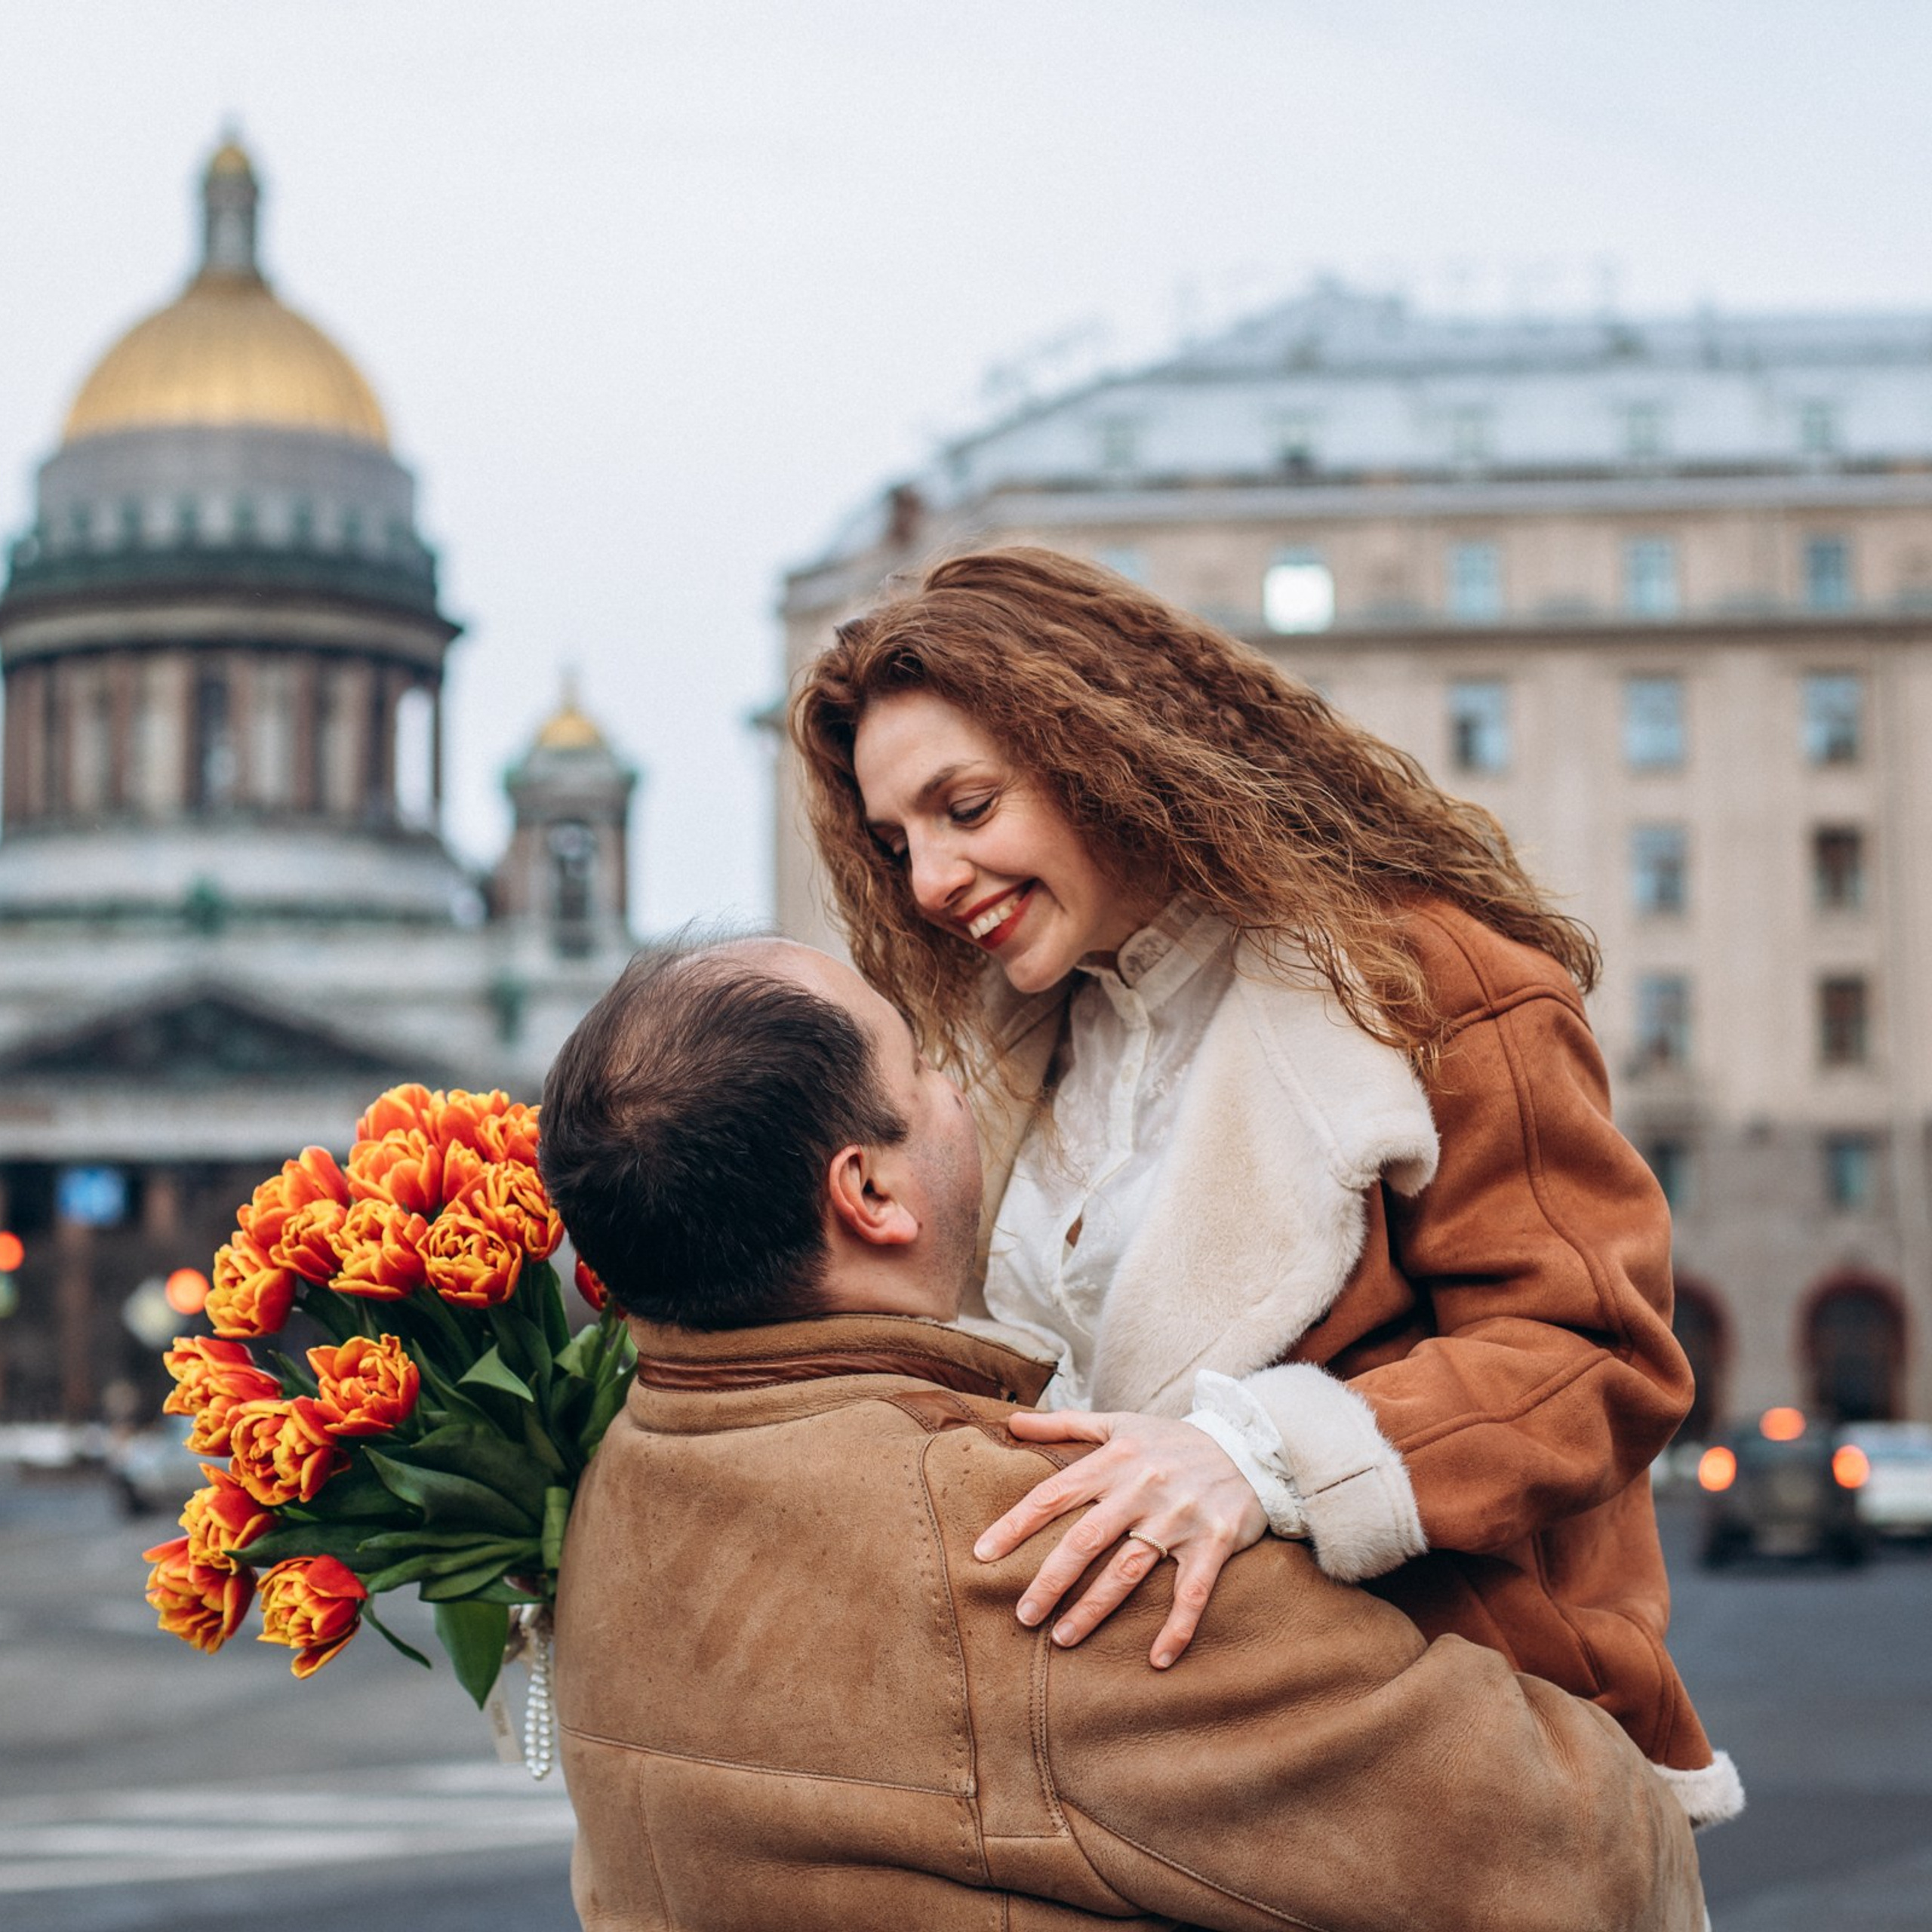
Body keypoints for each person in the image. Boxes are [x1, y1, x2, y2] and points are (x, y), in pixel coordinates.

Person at [792, 545, 1740, 1826]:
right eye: (896, 842)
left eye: (967, 808)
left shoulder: (1428, 979)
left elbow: (1594, 1360)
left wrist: (1263, 1457)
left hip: (1456, 1764)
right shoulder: (1007, 1055)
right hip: (1148, 1772)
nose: (930, 882)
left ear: (1106, 747)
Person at [539, 938, 1705, 1932]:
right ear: (871, 1195)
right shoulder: (1030, 1548)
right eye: (925, 1062)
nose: (961, 1084)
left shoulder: (609, 1494)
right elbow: (1582, 1855)